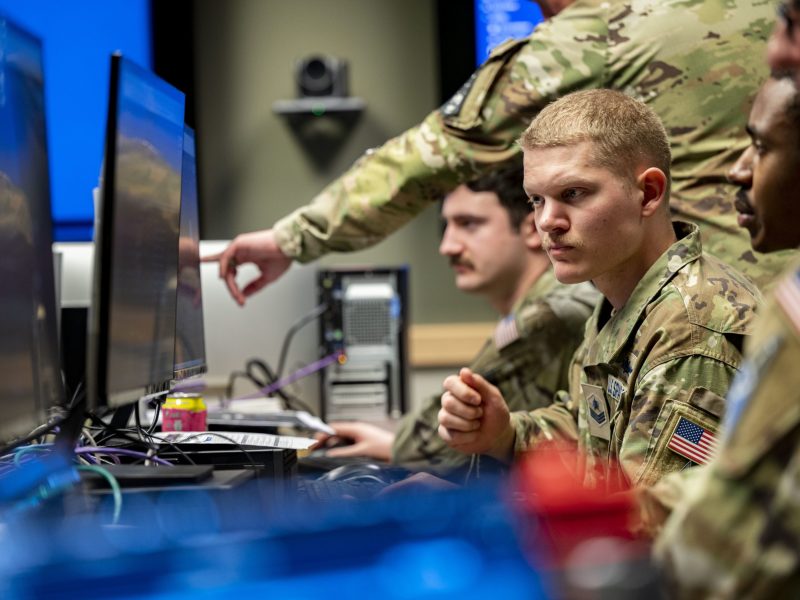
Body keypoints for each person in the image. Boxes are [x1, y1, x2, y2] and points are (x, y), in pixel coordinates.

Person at [206, 0, 790, 303]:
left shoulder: (606, 27)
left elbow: (438, 152)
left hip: (703, 328)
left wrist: (290, 239)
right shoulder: (773, 16)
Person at [437, 89, 760, 492]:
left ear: (649, 193)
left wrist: (474, 518)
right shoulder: (624, 301)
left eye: (573, 194)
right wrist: (505, 435)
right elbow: (587, 431)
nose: (547, 222)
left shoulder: (690, 333)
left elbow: (648, 526)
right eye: (536, 200)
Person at [318, 167, 599, 472]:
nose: (447, 246)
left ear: (532, 229)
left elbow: (435, 446)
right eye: (446, 227)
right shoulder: (544, 303)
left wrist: (393, 445)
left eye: (469, 224)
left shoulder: (549, 317)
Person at [652, 74, 800, 598]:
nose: (737, 170)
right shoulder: (788, 292)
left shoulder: (701, 314)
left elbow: (745, 525)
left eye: (761, 147)